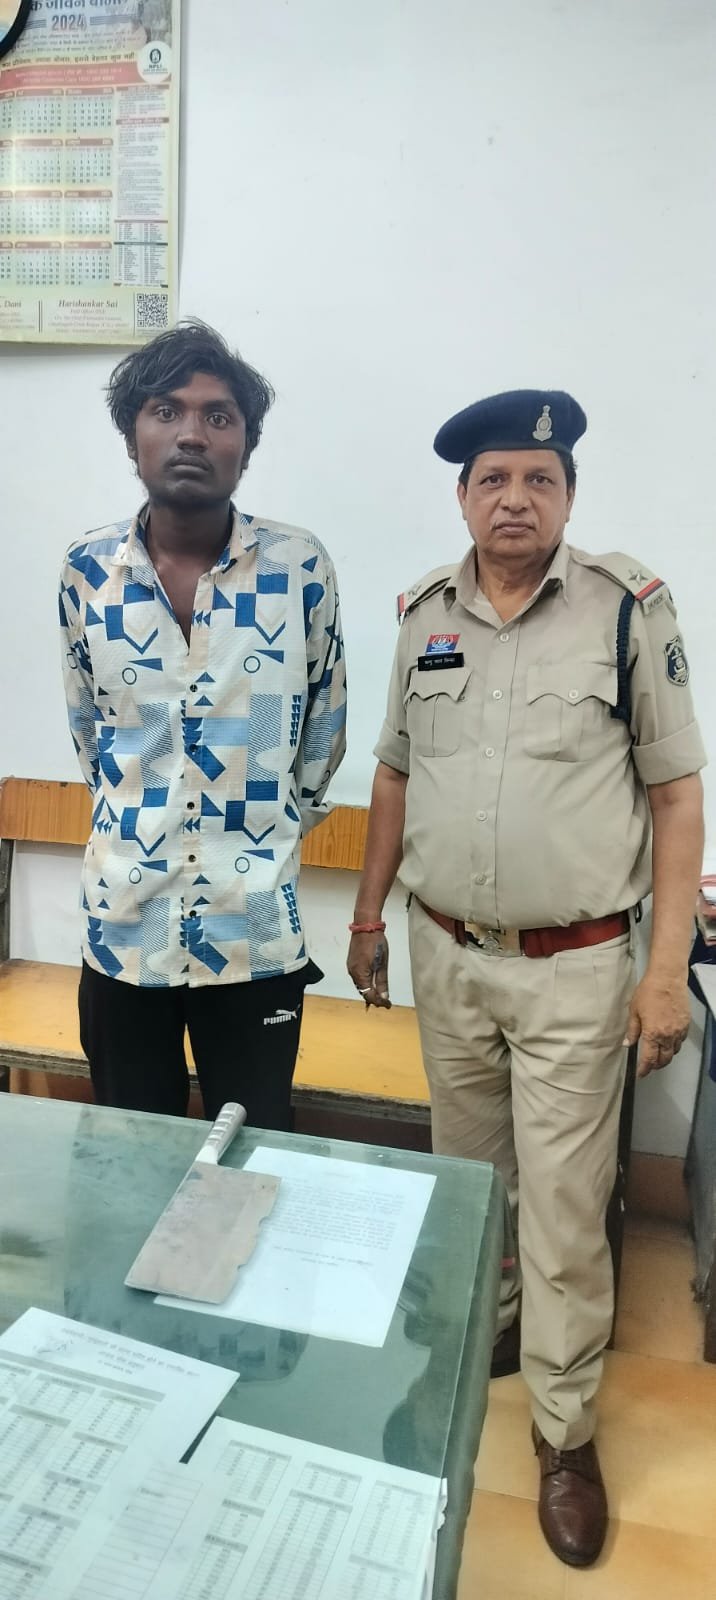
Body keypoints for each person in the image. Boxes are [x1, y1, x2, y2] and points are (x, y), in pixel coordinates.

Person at [347, 389, 705, 1568]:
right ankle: (488, 1343)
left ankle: (562, 1430)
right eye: (492, 479)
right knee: (469, 1186)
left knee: (560, 1214)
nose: (513, 499)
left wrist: (663, 976)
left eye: (537, 480)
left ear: (567, 496)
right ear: (461, 496)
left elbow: (674, 796)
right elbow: (393, 774)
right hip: (447, 955)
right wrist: (367, 915)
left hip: (574, 970)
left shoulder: (624, 610)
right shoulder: (423, 615)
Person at [60, 320, 346, 1129]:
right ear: (132, 437)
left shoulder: (299, 569)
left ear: (246, 446)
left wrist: (254, 839)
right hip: (125, 930)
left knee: (252, 1155)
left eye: (219, 416)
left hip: (253, 931)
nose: (192, 433)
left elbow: (322, 734)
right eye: (166, 411)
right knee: (126, 1150)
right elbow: (90, 732)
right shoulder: (87, 572)